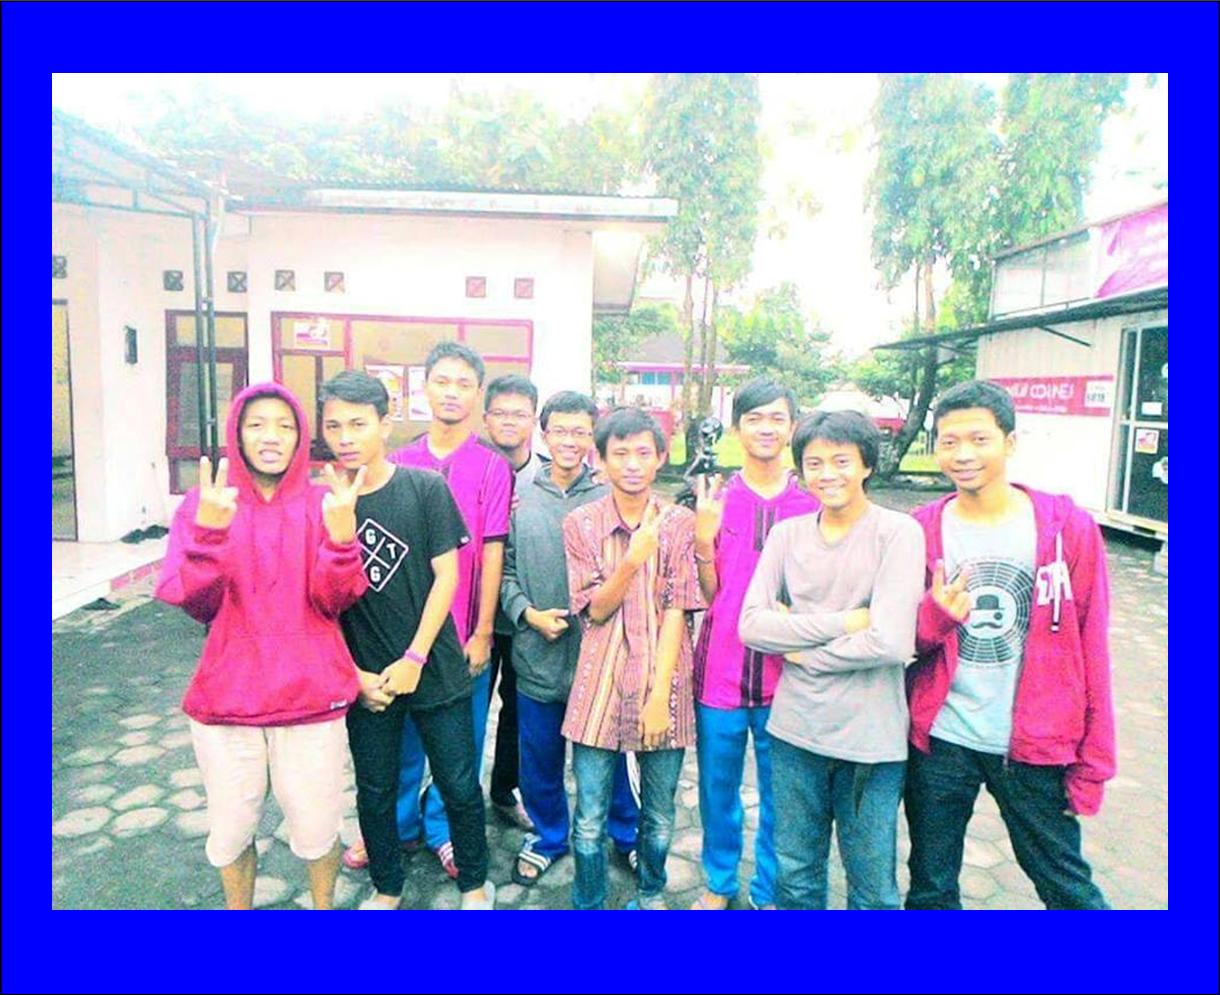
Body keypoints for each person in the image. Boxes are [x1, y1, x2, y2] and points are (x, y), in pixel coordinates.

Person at [156, 382, 368, 909]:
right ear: (236, 433)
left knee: (319, 829)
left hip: (311, 699)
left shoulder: (324, 503)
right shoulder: (206, 504)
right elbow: (196, 604)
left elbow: (335, 599)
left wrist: (343, 538)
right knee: (231, 833)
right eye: (256, 425)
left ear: (300, 436)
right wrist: (208, 535)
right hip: (228, 701)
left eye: (284, 426)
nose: (270, 437)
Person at [904, 380, 1114, 910]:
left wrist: (1094, 763)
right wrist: (935, 616)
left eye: (979, 439)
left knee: (1066, 886)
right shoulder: (920, 530)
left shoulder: (1067, 529)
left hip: (1033, 743)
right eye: (949, 442)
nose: (963, 455)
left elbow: (1092, 645)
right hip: (942, 738)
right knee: (930, 885)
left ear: (1010, 442)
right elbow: (905, 640)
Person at [321, 370, 494, 910]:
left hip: (433, 665)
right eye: (334, 426)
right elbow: (321, 601)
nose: (346, 437)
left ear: (385, 422)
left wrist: (416, 656)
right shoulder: (322, 506)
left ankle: (474, 883)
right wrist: (354, 675)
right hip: (367, 678)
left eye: (358, 423)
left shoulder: (424, 488)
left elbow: (447, 576)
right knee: (374, 789)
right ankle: (387, 886)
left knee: (458, 782)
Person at [739, 410, 925, 909]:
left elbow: (891, 642)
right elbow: (751, 625)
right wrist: (846, 622)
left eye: (842, 461)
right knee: (795, 874)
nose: (828, 474)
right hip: (795, 733)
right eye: (815, 463)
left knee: (872, 887)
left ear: (867, 464)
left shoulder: (898, 532)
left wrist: (799, 651)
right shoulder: (787, 535)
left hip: (869, 742)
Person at [562, 407, 706, 909]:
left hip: (663, 684)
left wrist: (659, 698)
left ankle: (649, 894)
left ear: (661, 457)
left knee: (659, 814)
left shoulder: (680, 523)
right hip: (599, 687)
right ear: (600, 461)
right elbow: (595, 610)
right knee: (589, 817)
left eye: (644, 452)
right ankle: (588, 903)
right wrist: (631, 560)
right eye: (619, 453)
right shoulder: (580, 524)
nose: (632, 464)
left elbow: (678, 610)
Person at [687, 378, 819, 910]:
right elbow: (709, 594)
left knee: (781, 796)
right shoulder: (715, 498)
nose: (766, 428)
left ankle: (768, 889)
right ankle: (719, 881)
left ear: (793, 427)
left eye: (777, 418)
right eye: (754, 418)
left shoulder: (812, 502)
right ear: (736, 427)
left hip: (789, 678)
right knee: (717, 790)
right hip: (720, 671)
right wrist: (703, 538)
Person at [500, 391, 640, 887]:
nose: (570, 440)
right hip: (536, 652)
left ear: (592, 438)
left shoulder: (607, 495)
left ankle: (627, 834)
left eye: (581, 431)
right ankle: (549, 836)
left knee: (608, 755)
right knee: (539, 756)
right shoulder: (519, 494)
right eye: (560, 430)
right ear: (544, 434)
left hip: (597, 656)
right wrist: (526, 613)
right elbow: (503, 569)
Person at [388, 342, 515, 879]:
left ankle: (442, 828)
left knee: (460, 743)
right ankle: (395, 826)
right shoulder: (398, 463)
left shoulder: (491, 467)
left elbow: (492, 550)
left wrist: (483, 631)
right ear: (425, 386)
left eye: (464, 384)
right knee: (399, 739)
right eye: (442, 381)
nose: (452, 392)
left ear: (477, 393)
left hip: (462, 633)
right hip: (403, 633)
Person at [481, 374, 544, 832]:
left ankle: (505, 790)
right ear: (486, 418)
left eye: (519, 413)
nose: (509, 421)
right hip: (475, 616)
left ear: (533, 420)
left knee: (518, 711)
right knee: (463, 712)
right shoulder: (472, 468)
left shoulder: (548, 475)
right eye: (500, 413)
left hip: (526, 617)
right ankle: (445, 798)